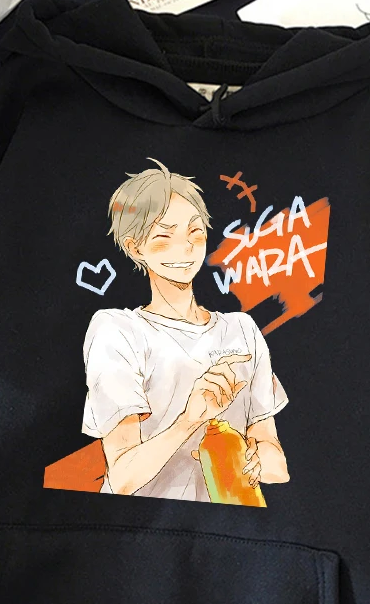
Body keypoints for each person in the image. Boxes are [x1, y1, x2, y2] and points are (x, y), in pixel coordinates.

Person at [81, 158, 290, 501]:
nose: (186, 248)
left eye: (195, 232)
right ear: (135, 247)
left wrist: (256, 460)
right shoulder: (118, 331)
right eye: (165, 236)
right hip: (138, 523)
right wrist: (189, 420)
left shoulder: (242, 329)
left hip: (229, 520)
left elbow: (277, 463)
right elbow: (122, 479)